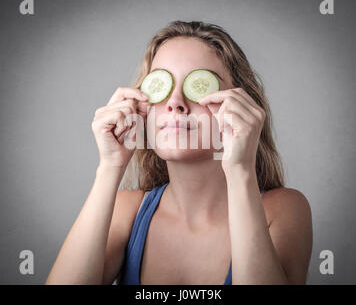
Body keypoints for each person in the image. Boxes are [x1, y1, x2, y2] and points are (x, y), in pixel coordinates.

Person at [45, 20, 312, 285]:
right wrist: (110, 167)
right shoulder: (127, 211)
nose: (175, 103)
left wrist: (242, 170)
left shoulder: (283, 209)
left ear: (242, 106)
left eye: (199, 86)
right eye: (160, 86)